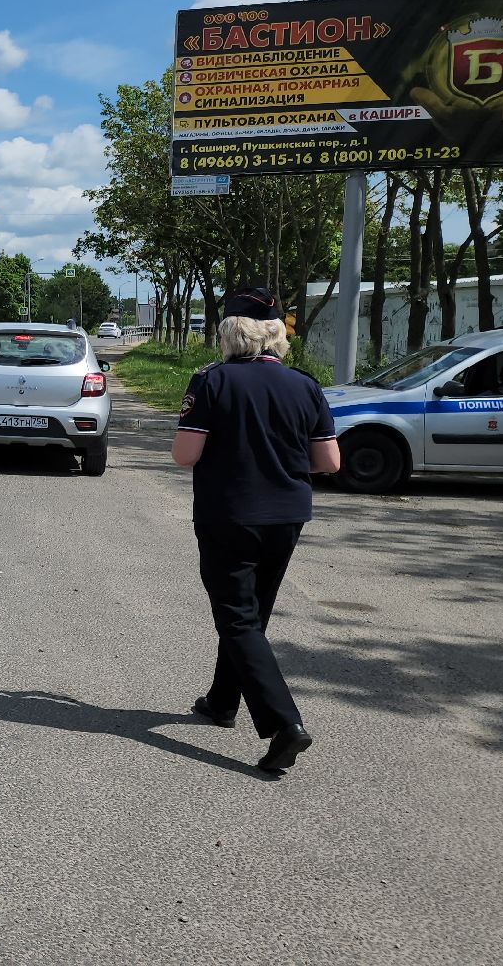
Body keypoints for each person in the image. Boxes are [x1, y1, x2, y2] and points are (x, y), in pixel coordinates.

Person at [172, 286, 342, 774]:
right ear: (276, 334)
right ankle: (223, 701)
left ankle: (285, 723)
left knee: (238, 619)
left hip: (229, 515)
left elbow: (186, 455)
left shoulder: (212, 381)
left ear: (229, 332)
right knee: (252, 616)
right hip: (287, 516)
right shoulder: (305, 385)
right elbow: (329, 461)